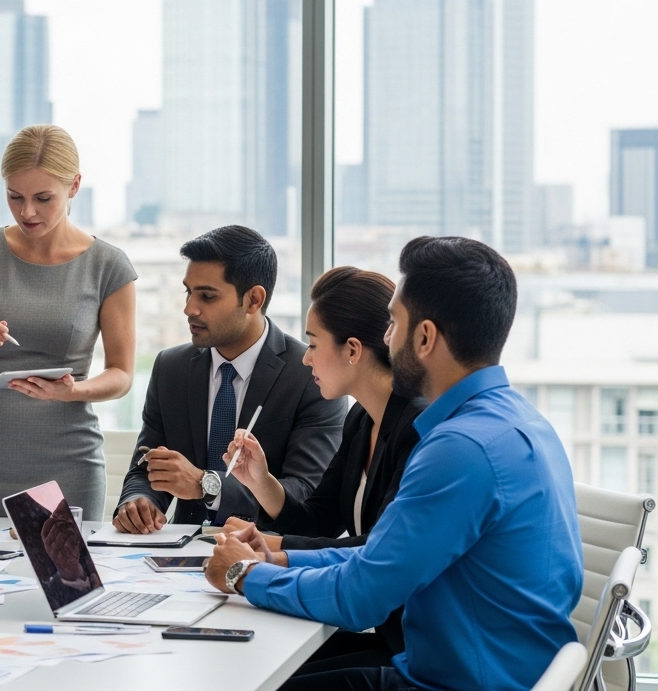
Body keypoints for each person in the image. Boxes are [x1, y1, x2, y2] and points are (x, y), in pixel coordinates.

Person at [205, 236, 583, 691]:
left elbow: (362, 598)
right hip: (489, 669)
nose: (386, 336)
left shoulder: (459, 449)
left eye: (395, 322)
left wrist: (244, 574)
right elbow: (379, 557)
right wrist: (276, 561)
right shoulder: (521, 422)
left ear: (424, 338)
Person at [221, 266, 423, 671]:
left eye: (313, 344)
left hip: (409, 643)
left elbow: (376, 549)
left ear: (352, 349)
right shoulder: (360, 419)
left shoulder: (418, 427)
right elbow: (320, 521)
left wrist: (272, 552)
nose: (306, 358)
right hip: (387, 633)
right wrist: (261, 482)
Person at [0, 124, 136, 520]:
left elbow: (122, 374)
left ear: (74, 186)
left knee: (69, 577)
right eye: (15, 196)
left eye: (43, 198)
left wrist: (71, 391)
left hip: (70, 461)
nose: (27, 211)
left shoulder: (107, 266)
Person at [113, 226, 345, 532]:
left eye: (207, 296)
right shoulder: (171, 368)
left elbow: (304, 492)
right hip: (179, 554)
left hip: (268, 552)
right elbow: (147, 467)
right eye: (189, 291)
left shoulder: (309, 375)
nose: (189, 309)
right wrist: (138, 502)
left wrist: (207, 485)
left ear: (253, 300)